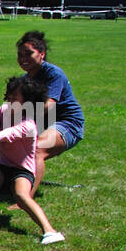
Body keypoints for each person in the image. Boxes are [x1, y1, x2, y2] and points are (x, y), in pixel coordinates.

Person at [0, 76, 66, 245]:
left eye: (15, 98)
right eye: (9, 96)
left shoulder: (29, 125)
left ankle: (50, 231)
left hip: (22, 171)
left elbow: (8, 134)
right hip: (3, 168)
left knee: (21, 195)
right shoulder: (3, 110)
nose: (10, 100)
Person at [15, 30, 84, 191]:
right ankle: (7, 181)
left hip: (67, 123)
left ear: (42, 54)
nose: (23, 59)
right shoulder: (24, 79)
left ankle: (25, 198)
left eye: (28, 54)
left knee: (37, 149)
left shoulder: (53, 74)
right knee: (2, 141)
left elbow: (48, 106)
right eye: (20, 55)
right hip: (42, 123)